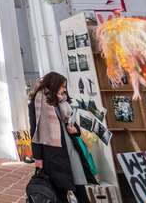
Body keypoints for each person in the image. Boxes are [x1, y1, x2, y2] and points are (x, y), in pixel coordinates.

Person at [29, 72, 97, 203]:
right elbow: (35, 131)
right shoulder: (36, 103)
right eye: (62, 86)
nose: (64, 89)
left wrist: (75, 130)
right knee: (59, 193)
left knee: (80, 189)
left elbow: (72, 123)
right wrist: (38, 159)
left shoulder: (63, 100)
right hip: (53, 155)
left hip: (71, 150)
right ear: (53, 85)